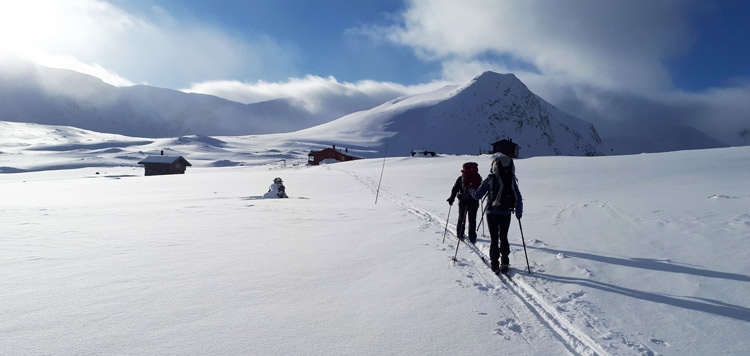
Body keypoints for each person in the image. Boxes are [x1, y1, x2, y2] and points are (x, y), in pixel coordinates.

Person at [470, 154, 523, 274]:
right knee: (503, 237)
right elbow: (518, 197)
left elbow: (478, 195)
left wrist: (470, 190)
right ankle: (505, 262)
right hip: (506, 212)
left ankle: (494, 264)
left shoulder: (490, 179)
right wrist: (518, 213)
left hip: (491, 213)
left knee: (494, 239)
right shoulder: (511, 179)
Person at [447, 162, 481, 244]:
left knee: (462, 218)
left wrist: (452, 198)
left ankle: (460, 234)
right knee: (472, 219)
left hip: (463, 201)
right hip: (474, 201)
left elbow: (455, 189)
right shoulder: (478, 177)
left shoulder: (461, 178)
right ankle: (472, 236)